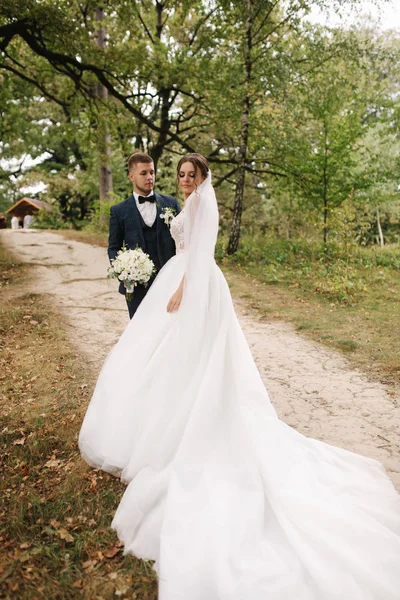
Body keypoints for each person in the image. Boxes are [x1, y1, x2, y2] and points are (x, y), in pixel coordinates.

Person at [79, 153, 400, 600]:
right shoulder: (183, 204)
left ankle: (192, 419)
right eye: (181, 175)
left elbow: (202, 252)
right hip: (181, 277)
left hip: (193, 283)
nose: (184, 180)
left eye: (191, 175)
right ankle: (164, 416)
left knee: (194, 357)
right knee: (163, 356)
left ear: (203, 178)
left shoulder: (200, 204)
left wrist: (182, 289)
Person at [108, 152, 181, 318]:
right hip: (136, 286)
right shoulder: (119, 211)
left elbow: (183, 242)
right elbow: (113, 247)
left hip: (168, 282)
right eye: (143, 173)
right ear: (131, 176)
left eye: (152, 172)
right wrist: (124, 273)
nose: (149, 177)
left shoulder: (171, 204)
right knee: (140, 334)